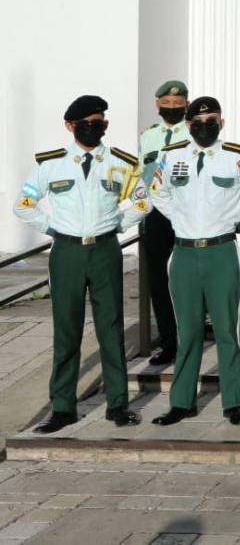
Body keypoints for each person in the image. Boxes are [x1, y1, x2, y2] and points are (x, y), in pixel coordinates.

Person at [15, 95, 146, 433]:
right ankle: (62, 407)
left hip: (104, 251)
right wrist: (51, 228)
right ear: (70, 126)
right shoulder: (50, 165)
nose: (93, 128)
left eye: (99, 121)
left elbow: (142, 202)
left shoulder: (121, 163)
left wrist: (117, 223)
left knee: (111, 327)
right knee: (67, 330)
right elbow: (23, 205)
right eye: (86, 123)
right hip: (67, 253)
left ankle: (117, 404)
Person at [149, 97, 240, 426]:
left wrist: (237, 223)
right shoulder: (172, 157)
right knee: (187, 331)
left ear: (222, 122)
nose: (205, 127)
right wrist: (180, 219)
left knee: (227, 331)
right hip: (185, 253)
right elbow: (157, 192)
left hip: (221, 252)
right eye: (198, 122)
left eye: (212, 120)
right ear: (188, 125)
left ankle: (233, 403)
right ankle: (182, 402)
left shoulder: (236, 157)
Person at [137, 79, 191, 366]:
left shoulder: (195, 130)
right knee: (158, 279)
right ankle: (169, 342)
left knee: (186, 278)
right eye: (167, 104)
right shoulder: (148, 136)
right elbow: (140, 174)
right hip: (156, 215)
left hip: (185, 210)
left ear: (186, 104)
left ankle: (190, 336)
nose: (172, 108)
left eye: (178, 103)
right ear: (157, 104)